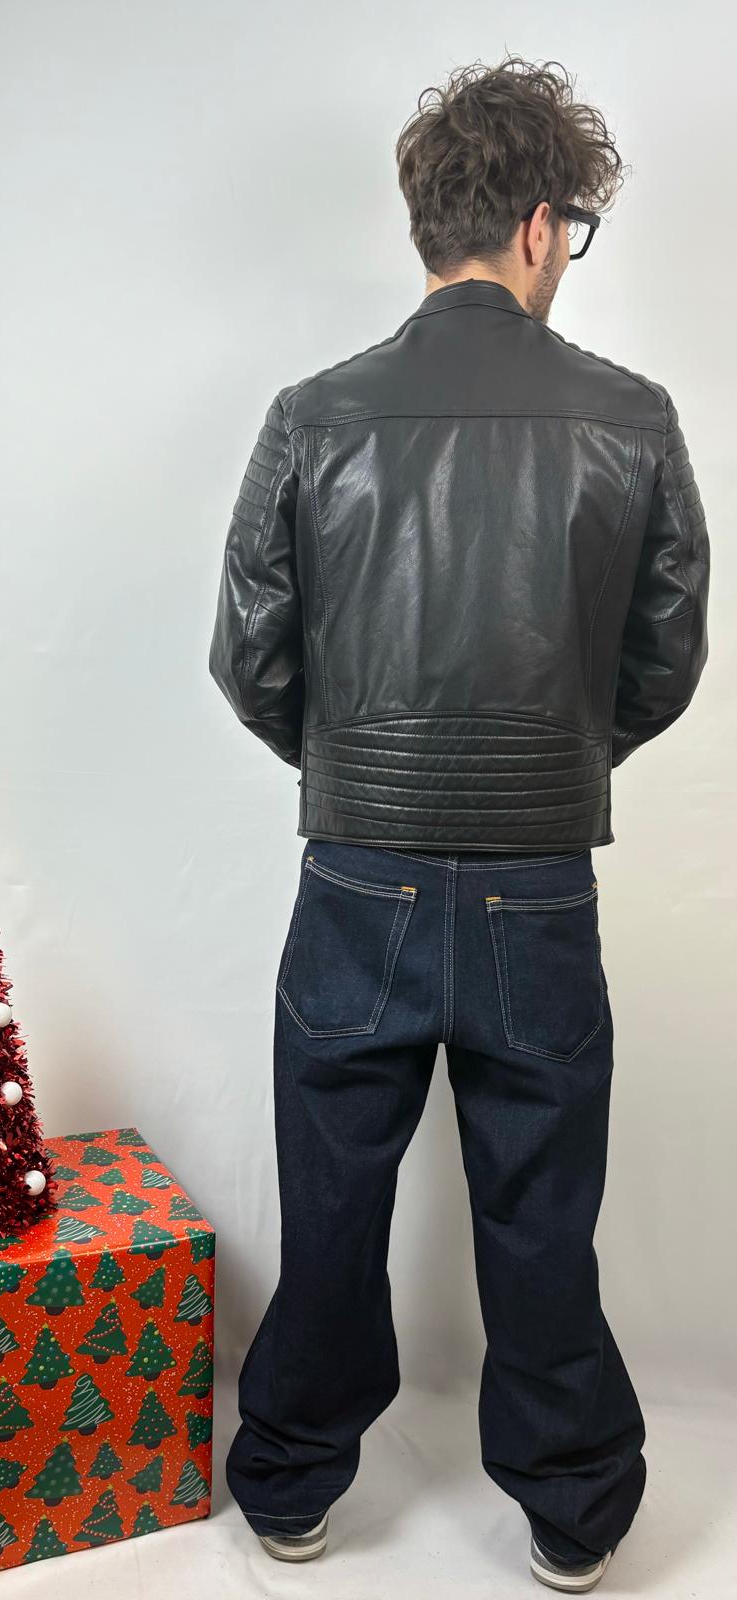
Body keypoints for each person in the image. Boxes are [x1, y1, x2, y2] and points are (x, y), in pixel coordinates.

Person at [207, 53, 710, 1594]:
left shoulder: (315, 417)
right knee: (541, 1216)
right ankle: (575, 1512)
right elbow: (664, 657)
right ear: (543, 225)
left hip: (355, 873)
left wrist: (359, 770)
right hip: (538, 886)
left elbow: (251, 658)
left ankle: (289, 1485)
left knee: (332, 1202)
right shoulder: (630, 419)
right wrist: (555, 758)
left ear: (432, 218)